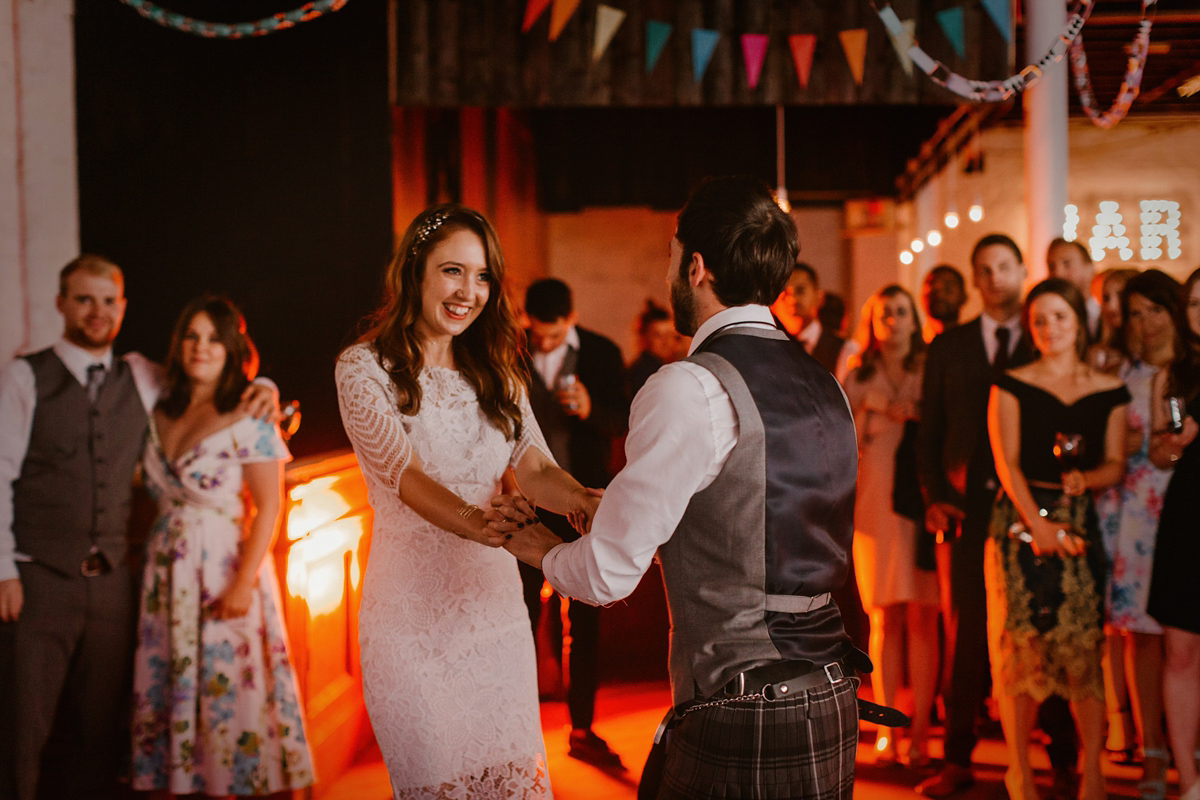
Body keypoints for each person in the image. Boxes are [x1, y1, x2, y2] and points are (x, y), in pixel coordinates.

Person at [501, 176, 863, 799]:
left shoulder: (688, 387)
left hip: (741, 700)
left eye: (671, 255)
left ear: (694, 267)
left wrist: (532, 543)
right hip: (832, 692)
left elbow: (608, 574)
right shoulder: (825, 384)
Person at [334, 204, 592, 797]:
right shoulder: (363, 368)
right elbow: (405, 476)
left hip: (493, 612)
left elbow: (534, 466)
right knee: (434, 781)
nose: (468, 292)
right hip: (410, 617)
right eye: (453, 271)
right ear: (415, 272)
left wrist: (583, 498)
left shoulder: (499, 371)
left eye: (482, 277)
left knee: (506, 784)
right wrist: (485, 525)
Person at [0, 255, 277, 800]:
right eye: (84, 299)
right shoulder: (23, 376)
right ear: (61, 304)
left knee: (100, 732)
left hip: (113, 587)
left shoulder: (142, 376)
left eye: (108, 301)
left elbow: (214, 377)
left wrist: (263, 382)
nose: (97, 312)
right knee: (19, 729)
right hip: (37, 580)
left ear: (122, 308)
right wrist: (2, 567)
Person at [916, 235, 1079, 799]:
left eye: (1004, 267)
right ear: (974, 279)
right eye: (984, 270)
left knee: (1044, 626)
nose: (995, 278)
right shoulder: (950, 346)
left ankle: (1061, 759)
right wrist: (933, 492)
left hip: (1033, 504)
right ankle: (958, 757)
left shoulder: (1046, 344)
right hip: (966, 509)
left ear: (1021, 269)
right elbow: (929, 430)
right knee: (965, 633)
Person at [131, 296, 314, 795]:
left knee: (224, 694)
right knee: (174, 687)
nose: (200, 347)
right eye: (191, 335)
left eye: (214, 337)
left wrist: (241, 584)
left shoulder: (250, 413)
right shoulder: (160, 404)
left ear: (233, 348)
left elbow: (268, 508)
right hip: (167, 572)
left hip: (222, 569)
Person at [985, 277, 1129, 800]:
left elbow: (1114, 462)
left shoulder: (1109, 387)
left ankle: (1093, 770)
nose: (1050, 328)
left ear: (1079, 321)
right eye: (1040, 320)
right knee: (1022, 645)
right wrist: (1038, 525)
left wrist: (1084, 481)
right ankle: (1019, 768)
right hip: (1019, 522)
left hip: (1080, 521)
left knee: (1083, 645)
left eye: (1060, 317)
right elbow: (1007, 462)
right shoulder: (1012, 382)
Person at [519, 277, 630, 767]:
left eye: (553, 335)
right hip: (523, 505)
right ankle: (517, 729)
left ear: (571, 318)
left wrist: (590, 411)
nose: (543, 343)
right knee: (520, 616)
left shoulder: (603, 354)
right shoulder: (508, 353)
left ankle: (582, 727)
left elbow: (624, 421)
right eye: (536, 334)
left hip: (582, 502)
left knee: (584, 618)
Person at [844, 285, 938, 768]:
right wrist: (870, 408)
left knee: (924, 615)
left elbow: (946, 425)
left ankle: (921, 729)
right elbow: (835, 439)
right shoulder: (859, 373)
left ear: (914, 319)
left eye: (903, 312)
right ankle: (889, 731)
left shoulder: (931, 367)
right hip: (874, 502)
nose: (895, 321)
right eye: (886, 314)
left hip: (921, 502)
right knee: (883, 617)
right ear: (874, 322)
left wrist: (915, 411)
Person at [1105, 270, 1182, 797]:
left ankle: (1186, 743)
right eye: (1135, 312)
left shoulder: (1192, 373)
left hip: (1183, 504)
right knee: (1142, 633)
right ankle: (1151, 745)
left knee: (1186, 636)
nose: (1146, 322)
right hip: (1133, 512)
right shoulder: (1122, 374)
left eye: (1155, 309)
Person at [1146, 267, 1200, 800]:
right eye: (1195, 303)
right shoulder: (1174, 374)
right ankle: (1189, 781)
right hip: (1188, 509)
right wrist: (1181, 441)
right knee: (1180, 650)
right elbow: (1159, 452)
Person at [774, 261, 854, 377]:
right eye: (784, 293)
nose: (792, 300)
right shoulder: (769, 348)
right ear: (773, 305)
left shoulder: (845, 350)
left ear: (819, 298)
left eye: (800, 291)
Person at [1088, 268, 1141, 374]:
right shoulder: (1098, 355)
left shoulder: (1154, 354)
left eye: (1120, 295)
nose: (1111, 306)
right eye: (1107, 298)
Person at [1047, 238, 1100, 340]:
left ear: (1090, 269)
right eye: (1051, 266)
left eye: (1067, 264)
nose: (1057, 273)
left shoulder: (1105, 318)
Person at [629, 300, 679, 396]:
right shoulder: (643, 373)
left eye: (669, 334)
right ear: (644, 338)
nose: (666, 341)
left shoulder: (666, 367)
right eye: (658, 335)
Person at [922, 264, 968, 342]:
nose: (940, 295)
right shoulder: (915, 348)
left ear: (963, 297)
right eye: (933, 290)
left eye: (948, 288)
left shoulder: (971, 344)